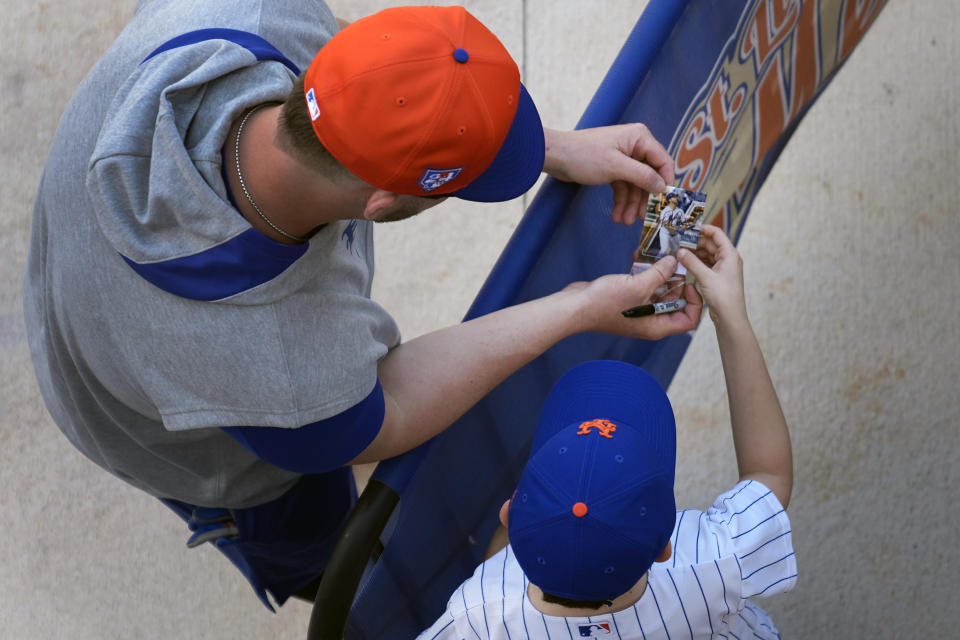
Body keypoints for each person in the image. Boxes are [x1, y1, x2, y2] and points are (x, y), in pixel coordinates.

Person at [23, 2, 700, 610]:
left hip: (80, 260)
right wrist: (578, 307)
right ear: (383, 204)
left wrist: (556, 147)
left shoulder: (260, 14)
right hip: (161, 426)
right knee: (330, 559)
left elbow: (388, 79)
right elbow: (389, 409)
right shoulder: (278, 362)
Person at [419, 225, 795, 639]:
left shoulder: (478, 611)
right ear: (664, 547)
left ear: (509, 512)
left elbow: (500, 568)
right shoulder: (708, 563)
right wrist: (731, 316)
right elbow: (768, 473)